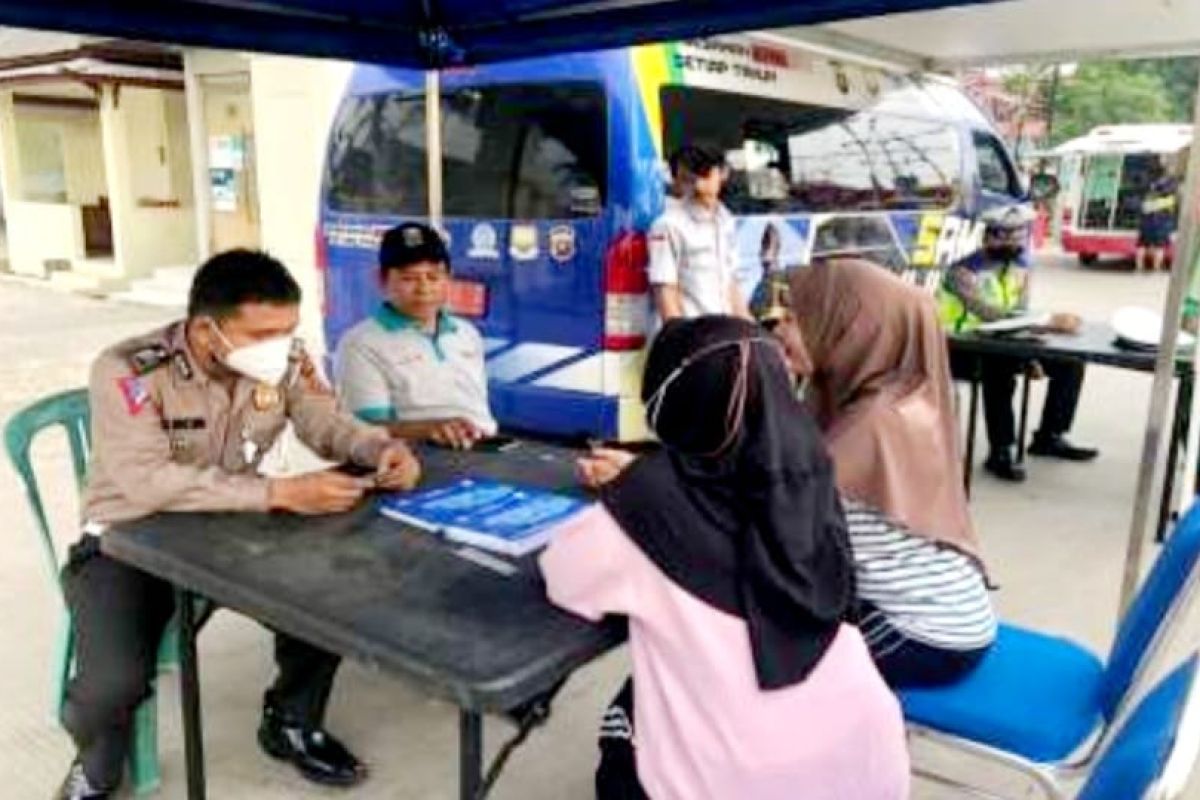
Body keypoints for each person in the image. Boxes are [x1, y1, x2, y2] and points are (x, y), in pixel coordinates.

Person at [57, 250, 421, 800]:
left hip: (232, 523)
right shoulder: (128, 370)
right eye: (264, 333)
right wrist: (280, 492)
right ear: (207, 330)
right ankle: (98, 757)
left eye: (290, 330)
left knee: (328, 596)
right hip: (127, 539)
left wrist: (380, 448)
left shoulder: (282, 360)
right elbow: (146, 482)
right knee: (111, 684)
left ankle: (290, 721)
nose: (283, 345)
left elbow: (325, 422)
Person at [543, 316, 910, 800]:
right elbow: (727, 502)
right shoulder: (810, 473)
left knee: (622, 725)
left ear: (670, 405)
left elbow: (563, 576)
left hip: (737, 782)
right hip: (865, 761)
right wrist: (648, 479)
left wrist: (635, 484)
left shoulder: (643, 506)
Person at [786, 258, 996, 686]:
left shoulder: (874, 427)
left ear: (848, 328)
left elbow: (785, 535)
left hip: (924, 638)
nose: (781, 330)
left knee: (755, 650)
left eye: (797, 317)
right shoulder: (899, 399)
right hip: (957, 623)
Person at [939, 204, 1098, 482]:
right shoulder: (962, 271)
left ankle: (1050, 436)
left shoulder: (1021, 269)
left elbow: (1018, 316)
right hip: (959, 347)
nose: (1012, 242)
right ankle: (1001, 451)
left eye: (1018, 235)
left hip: (1003, 343)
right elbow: (989, 314)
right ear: (987, 236)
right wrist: (1048, 322)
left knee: (1069, 362)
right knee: (998, 369)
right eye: (1003, 235)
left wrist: (1031, 353)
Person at [336, 222, 498, 450]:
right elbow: (365, 428)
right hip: (412, 458)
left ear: (448, 278)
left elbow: (479, 411)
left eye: (433, 277)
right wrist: (429, 429)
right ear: (382, 280)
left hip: (485, 450)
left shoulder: (466, 333)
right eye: (409, 278)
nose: (424, 288)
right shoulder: (360, 344)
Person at [647, 144, 752, 324]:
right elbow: (665, 290)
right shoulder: (667, 225)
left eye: (702, 172)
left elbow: (731, 282)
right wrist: (679, 338)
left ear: (723, 173)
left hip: (726, 332)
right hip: (695, 337)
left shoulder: (726, 221)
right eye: (686, 177)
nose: (696, 182)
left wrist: (748, 326)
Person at [1136, 162, 1179, 273]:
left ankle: (1139, 268)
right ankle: (1156, 268)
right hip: (1161, 220)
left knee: (1142, 244)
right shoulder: (1169, 184)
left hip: (1147, 218)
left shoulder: (1146, 183)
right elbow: (1172, 197)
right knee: (1160, 246)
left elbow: (1141, 199)